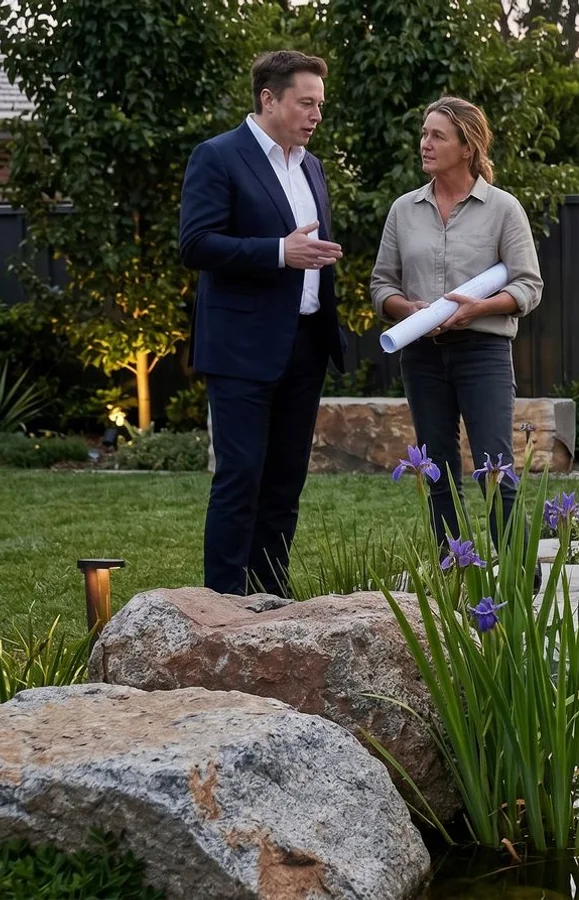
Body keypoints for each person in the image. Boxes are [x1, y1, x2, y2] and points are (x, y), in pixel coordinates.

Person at [179, 50, 348, 597]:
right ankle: (223, 603)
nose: (316, 114)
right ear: (268, 99)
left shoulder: (312, 166)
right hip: (241, 347)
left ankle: (270, 595)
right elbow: (196, 244)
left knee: (284, 484)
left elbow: (306, 250)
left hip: (304, 345)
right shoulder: (218, 156)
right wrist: (279, 252)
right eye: (306, 102)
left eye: (320, 104)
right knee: (241, 478)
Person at [370, 96, 542, 547]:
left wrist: (476, 308)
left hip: (482, 353)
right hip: (421, 355)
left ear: (467, 147)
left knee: (495, 469)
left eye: (436, 136)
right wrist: (407, 310)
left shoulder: (504, 209)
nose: (424, 143)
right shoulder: (403, 210)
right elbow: (381, 286)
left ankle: (517, 579)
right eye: (424, 133)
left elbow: (528, 286)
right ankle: (455, 571)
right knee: (437, 471)